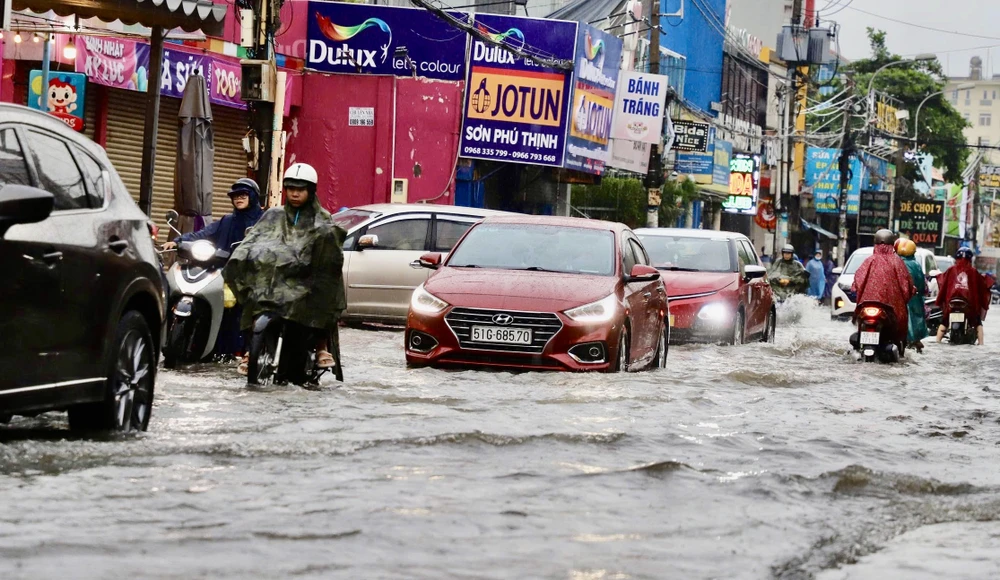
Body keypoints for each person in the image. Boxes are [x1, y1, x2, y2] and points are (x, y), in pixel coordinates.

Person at [223, 163, 347, 379]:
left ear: (311, 191)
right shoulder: (273, 215)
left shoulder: (323, 220)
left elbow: (330, 255)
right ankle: (251, 349)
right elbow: (254, 240)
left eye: (300, 189)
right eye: (290, 188)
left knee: (326, 292)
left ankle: (320, 346)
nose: (295, 193)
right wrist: (242, 257)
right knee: (254, 295)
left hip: (306, 282)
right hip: (274, 282)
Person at [163, 178, 264, 359]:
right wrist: (178, 241)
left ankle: (245, 351)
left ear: (253, 197)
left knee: (242, 305)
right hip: (222, 270)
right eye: (235, 196)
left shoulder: (263, 222)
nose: (239, 198)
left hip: (250, 273)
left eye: (243, 194)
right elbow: (204, 233)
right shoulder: (227, 220)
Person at [850, 229, 915, 351]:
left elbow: (858, 281)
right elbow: (905, 285)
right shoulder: (898, 262)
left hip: (866, 305)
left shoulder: (869, 261)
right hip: (889, 309)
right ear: (892, 245)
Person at [935, 247, 990, 345]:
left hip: (952, 302)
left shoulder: (951, 270)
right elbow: (982, 286)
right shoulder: (973, 272)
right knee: (977, 322)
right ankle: (981, 344)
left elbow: (943, 282)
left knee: (945, 321)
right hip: (968, 305)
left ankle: (937, 341)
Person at [896, 238, 928, 352]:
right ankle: (914, 339)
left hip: (898, 298)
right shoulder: (916, 265)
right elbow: (921, 284)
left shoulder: (895, 262)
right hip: (913, 299)